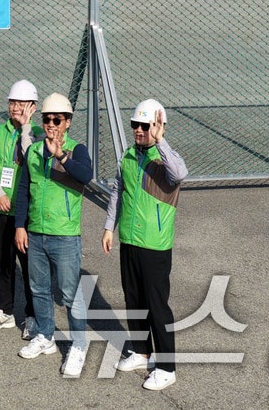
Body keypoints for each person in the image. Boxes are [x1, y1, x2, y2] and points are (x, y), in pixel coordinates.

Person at [103, 99, 188, 392]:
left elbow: (180, 175)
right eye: (135, 125)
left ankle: (166, 367)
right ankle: (142, 352)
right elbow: (117, 192)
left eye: (145, 125)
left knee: (156, 305)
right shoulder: (128, 156)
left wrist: (160, 140)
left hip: (155, 244)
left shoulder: (165, 159)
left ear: (157, 126)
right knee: (133, 299)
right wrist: (108, 228)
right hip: (129, 239)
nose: (138, 131)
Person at [14, 92, 94, 376]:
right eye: (47, 119)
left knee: (71, 294)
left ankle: (79, 345)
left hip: (65, 234)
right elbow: (23, 190)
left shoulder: (77, 149)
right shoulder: (34, 151)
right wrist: (20, 225)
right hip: (36, 232)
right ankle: (46, 335)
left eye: (57, 119)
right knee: (39, 288)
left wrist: (61, 155)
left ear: (68, 122)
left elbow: (86, 175)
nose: (51, 124)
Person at [0, 79, 41, 338]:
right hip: (0, 210)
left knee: (29, 267)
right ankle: (4, 310)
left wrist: (26, 127)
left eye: (22, 103)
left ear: (33, 107)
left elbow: (31, 160)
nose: (16, 108)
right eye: (13, 102)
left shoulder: (37, 133)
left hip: (25, 213)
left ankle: (32, 315)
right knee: (1, 264)